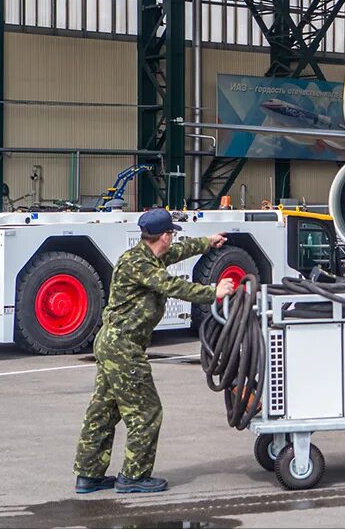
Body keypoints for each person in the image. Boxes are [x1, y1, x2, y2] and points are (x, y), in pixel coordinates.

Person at [73, 209, 237, 495]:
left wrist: (207, 242)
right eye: (171, 234)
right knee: (147, 412)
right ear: (165, 235)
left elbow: (176, 253)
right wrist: (214, 292)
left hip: (113, 344)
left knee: (104, 411)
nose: (173, 240)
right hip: (124, 348)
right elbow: (172, 286)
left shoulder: (145, 256)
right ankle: (134, 476)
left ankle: (89, 475)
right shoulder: (141, 265)